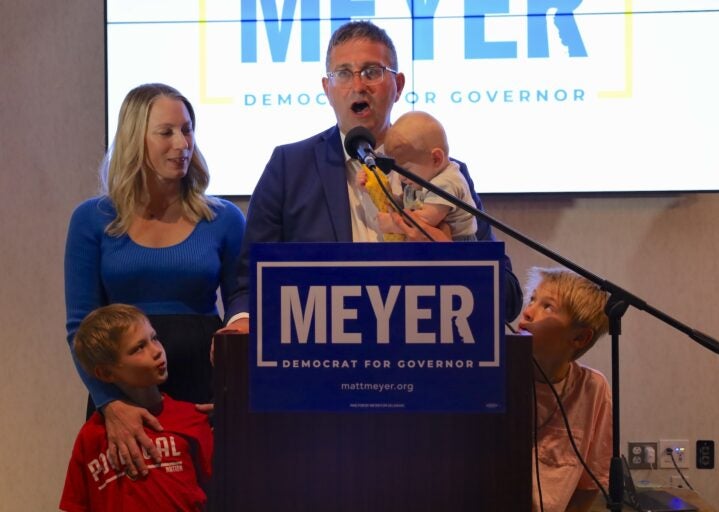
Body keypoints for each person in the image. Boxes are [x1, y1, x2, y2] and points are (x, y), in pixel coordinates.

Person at [224, 20, 522, 331]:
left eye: (372, 72)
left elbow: (508, 299)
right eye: (343, 74)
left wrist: (452, 259)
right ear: (327, 89)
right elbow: (249, 282)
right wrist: (241, 324)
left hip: (424, 351)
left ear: (399, 86)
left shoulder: (444, 173)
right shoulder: (289, 167)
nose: (358, 85)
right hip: (323, 354)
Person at [64, 83, 244, 478]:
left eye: (188, 130)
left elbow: (243, 307)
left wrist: (235, 393)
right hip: (123, 394)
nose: (183, 143)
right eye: (167, 132)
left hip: (205, 391)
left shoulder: (225, 218)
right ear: (134, 138)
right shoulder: (91, 220)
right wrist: (110, 402)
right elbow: (80, 327)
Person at [60, 304, 213, 511]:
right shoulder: (90, 437)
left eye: (154, 338)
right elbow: (76, 505)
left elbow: (219, 493)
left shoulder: (192, 418)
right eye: (139, 348)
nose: (157, 351)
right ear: (105, 374)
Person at [518, 267, 612, 512]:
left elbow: (591, 481)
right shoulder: (492, 375)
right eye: (532, 300)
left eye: (547, 307)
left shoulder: (593, 389)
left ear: (580, 338)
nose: (527, 312)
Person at [363, 110, 477, 241]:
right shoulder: (423, 178)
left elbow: (426, 221)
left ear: (436, 159)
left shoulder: (447, 181)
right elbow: (404, 206)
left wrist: (394, 224)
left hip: (461, 247)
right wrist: (376, 189)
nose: (401, 178)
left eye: (406, 170)